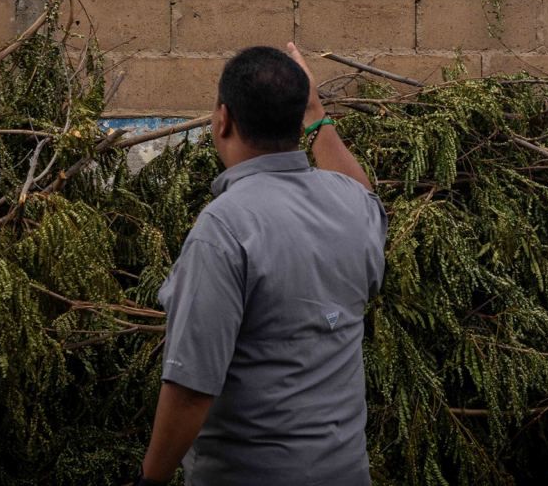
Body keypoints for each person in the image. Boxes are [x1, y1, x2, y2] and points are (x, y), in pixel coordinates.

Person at [136, 43, 388, 486]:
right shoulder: (351, 208)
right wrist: (317, 115)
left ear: (222, 120)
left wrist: (149, 479)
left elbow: (192, 389)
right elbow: (363, 194)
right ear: (297, 118)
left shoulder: (224, 228)